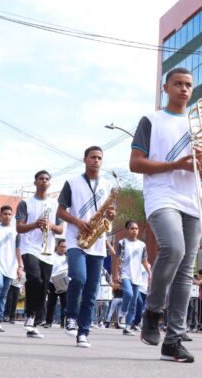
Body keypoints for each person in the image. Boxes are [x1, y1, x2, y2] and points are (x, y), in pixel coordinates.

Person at [129, 67, 202, 363]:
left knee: (186, 272)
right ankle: (152, 311)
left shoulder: (198, 126)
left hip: (192, 200)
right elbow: (135, 163)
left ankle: (174, 340)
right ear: (166, 87)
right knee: (173, 248)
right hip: (161, 195)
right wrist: (174, 164)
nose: (184, 89)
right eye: (178, 84)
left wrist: (200, 164)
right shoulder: (151, 120)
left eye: (189, 85)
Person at [57, 146, 117, 348]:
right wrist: (77, 222)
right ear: (85, 159)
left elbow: (111, 211)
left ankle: (83, 332)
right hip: (76, 239)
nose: (97, 161)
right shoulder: (72, 183)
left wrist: (111, 216)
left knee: (92, 290)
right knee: (79, 278)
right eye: (93, 157)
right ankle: (71, 317)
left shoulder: (107, 184)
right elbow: (60, 211)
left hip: (97, 242)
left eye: (100, 158)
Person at [16, 170, 62, 338]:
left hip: (48, 250)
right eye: (41, 179)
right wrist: (35, 225)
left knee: (43, 288)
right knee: (34, 278)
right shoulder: (25, 203)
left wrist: (50, 225)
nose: (44, 181)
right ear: (35, 182)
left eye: (47, 179)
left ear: (49, 183)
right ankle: (29, 314)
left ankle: (33, 321)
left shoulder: (55, 205)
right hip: (29, 247)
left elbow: (60, 229)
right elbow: (19, 228)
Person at [0, 205, 24, 332]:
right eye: (5, 214)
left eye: (9, 214)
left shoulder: (16, 231)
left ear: (12, 216)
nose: (7, 216)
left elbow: (18, 250)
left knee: (3, 295)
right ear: (0, 215)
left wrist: (20, 266)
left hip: (10, 266)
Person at [113, 220, 151, 336]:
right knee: (128, 294)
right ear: (127, 230)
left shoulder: (142, 245)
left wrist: (150, 272)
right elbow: (116, 259)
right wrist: (116, 274)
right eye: (132, 228)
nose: (134, 231)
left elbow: (144, 261)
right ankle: (122, 312)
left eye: (136, 229)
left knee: (134, 302)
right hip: (125, 274)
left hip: (137, 275)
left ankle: (128, 327)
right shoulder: (122, 243)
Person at [46, 239, 68, 328]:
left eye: (65, 247)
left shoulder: (68, 257)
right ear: (57, 247)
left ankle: (64, 322)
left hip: (64, 282)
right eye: (61, 246)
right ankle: (48, 322)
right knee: (51, 303)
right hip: (53, 282)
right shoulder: (52, 256)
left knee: (65, 303)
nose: (63, 249)